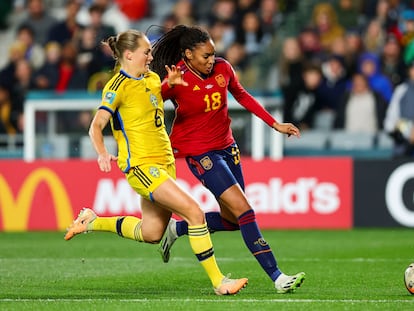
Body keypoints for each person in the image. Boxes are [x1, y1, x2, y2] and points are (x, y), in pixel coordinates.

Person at [64, 29, 248, 296]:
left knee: (151, 233)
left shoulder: (151, 78)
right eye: (146, 52)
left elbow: (152, 100)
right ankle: (220, 282)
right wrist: (103, 152)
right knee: (194, 213)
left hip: (164, 162)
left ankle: (92, 221)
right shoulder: (116, 87)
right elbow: (96, 126)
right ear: (129, 55)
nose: (151, 56)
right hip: (141, 166)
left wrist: (170, 84)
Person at [150, 24, 305, 294]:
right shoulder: (178, 77)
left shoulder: (223, 68)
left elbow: (243, 96)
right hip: (200, 153)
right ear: (187, 55)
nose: (211, 61)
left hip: (227, 147)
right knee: (245, 210)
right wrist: (165, 85)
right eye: (205, 56)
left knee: (233, 220)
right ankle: (278, 277)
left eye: (213, 54)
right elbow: (147, 102)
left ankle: (177, 229)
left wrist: (274, 124)